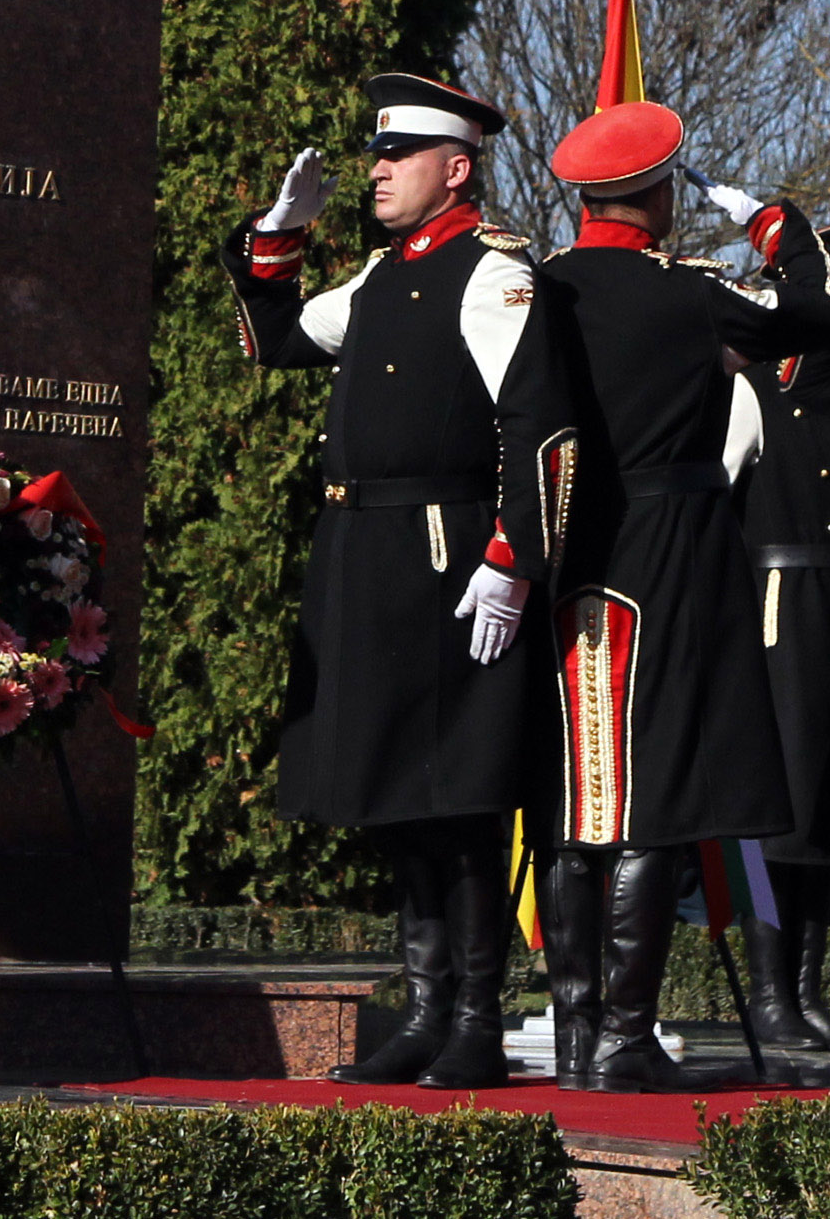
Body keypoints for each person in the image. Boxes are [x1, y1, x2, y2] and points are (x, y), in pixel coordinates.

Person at [219, 72, 575, 1092]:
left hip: (445, 554)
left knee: (458, 796)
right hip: (365, 555)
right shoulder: (381, 276)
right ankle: (423, 1009)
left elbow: (537, 423)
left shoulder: (493, 271)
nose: (375, 169)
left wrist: (513, 555)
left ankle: (474, 1017)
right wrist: (275, 240)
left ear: (454, 167)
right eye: (377, 153)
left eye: (396, 154)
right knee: (397, 798)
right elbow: (274, 339)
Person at [532, 102, 830, 1090]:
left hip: (572, 547)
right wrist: (776, 228)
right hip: (676, 551)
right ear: (659, 193)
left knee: (584, 793)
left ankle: (584, 1035)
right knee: (653, 796)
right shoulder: (689, 296)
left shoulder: (546, 288)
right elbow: (822, 316)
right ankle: (623, 1038)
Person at [730, 217, 830, 1057]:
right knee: (774, 806)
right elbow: (715, 497)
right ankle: (767, 992)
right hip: (777, 601)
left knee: (827, 804)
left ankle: (805, 989)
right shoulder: (756, 389)